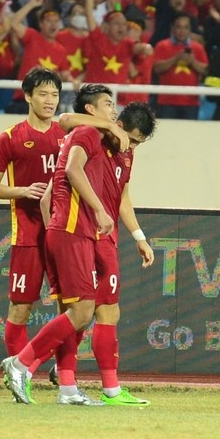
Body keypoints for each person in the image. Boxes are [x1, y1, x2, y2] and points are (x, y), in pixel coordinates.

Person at [0, 87, 127, 405]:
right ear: (90, 108)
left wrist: (53, 229)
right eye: (108, 105)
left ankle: (67, 389)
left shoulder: (85, 137)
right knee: (83, 311)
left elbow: (46, 198)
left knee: (75, 310)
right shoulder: (86, 133)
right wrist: (96, 211)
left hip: (66, 232)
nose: (114, 111)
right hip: (73, 233)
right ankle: (20, 364)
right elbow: (71, 170)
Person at [54, 85, 157, 406]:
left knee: (108, 311)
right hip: (81, 232)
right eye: (133, 138)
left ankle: (109, 388)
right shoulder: (92, 137)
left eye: (140, 142)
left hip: (106, 238)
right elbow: (65, 120)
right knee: (77, 311)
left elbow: (123, 197)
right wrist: (109, 126)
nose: (134, 146)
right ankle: (41, 371)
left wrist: (139, 237)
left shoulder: (127, 154)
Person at [0, 68, 66, 360]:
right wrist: (22, 190)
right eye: (43, 94)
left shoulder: (67, 136)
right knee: (20, 308)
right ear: (28, 96)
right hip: (28, 235)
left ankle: (63, 371)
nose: (50, 100)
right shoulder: (9, 138)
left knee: (69, 308)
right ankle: (21, 373)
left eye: (55, 95)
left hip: (65, 234)